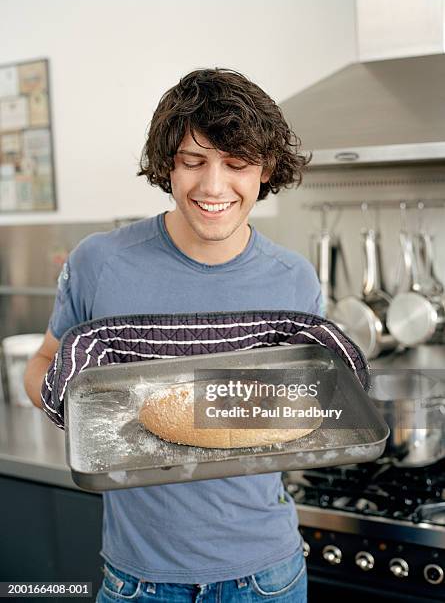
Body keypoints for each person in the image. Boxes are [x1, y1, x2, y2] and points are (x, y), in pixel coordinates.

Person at [25, 68, 322, 603]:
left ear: (265, 170)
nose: (213, 186)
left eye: (237, 164)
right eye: (193, 162)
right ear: (168, 164)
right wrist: (97, 421)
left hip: (266, 577)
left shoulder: (294, 278)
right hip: (139, 579)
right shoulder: (100, 262)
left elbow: (301, 404)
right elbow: (44, 362)